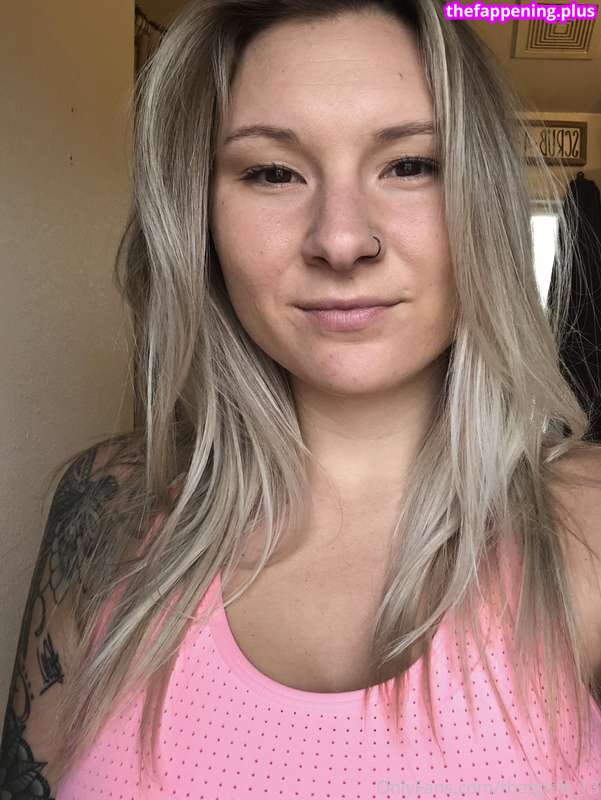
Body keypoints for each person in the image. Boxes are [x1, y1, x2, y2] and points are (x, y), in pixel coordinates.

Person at [2, 1, 601, 798]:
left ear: (484, 201)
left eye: (409, 164)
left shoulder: (589, 523)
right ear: (199, 218)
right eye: (272, 172)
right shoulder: (104, 503)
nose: (341, 240)